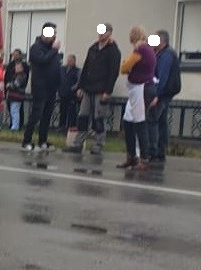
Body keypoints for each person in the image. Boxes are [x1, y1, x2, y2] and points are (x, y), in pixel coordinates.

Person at [64, 23, 121, 155]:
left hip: (101, 90)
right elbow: (86, 68)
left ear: (109, 33)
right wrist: (80, 86)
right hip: (88, 89)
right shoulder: (93, 48)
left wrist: (108, 91)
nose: (100, 34)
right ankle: (78, 143)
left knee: (98, 118)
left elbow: (113, 72)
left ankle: (98, 144)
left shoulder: (113, 51)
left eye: (104, 31)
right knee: (82, 116)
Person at [117, 26, 156, 170]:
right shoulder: (148, 50)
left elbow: (124, 68)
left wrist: (125, 64)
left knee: (140, 122)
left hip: (141, 88)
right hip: (137, 89)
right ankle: (131, 155)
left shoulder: (141, 49)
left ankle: (143, 158)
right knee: (128, 121)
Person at [22, 22, 61, 152]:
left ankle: (43, 140)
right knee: (36, 115)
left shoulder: (52, 50)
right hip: (40, 87)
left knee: (47, 116)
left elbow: (56, 66)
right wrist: (54, 51)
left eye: (55, 33)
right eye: (52, 33)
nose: (54, 36)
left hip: (52, 87)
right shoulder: (36, 48)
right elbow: (42, 60)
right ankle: (27, 140)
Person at [147, 30, 181, 164]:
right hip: (166, 92)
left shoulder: (166, 55)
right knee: (161, 121)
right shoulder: (163, 53)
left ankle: (153, 151)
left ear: (162, 41)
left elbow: (162, 76)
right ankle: (160, 150)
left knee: (153, 119)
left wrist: (157, 95)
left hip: (163, 93)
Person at [4, 49, 29, 128]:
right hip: (11, 92)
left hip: (18, 92)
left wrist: (10, 85)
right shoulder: (11, 65)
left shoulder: (23, 66)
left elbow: (19, 82)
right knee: (11, 109)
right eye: (13, 55)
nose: (14, 56)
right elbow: (6, 77)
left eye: (16, 55)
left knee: (16, 109)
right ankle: (13, 124)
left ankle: (17, 125)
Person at [58, 54, 79, 130]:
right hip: (62, 93)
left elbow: (78, 82)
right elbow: (58, 79)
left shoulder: (77, 71)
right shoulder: (62, 69)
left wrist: (73, 88)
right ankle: (62, 126)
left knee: (72, 111)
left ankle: (71, 126)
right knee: (62, 110)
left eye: (70, 60)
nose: (69, 62)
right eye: (68, 60)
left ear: (74, 61)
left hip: (72, 94)